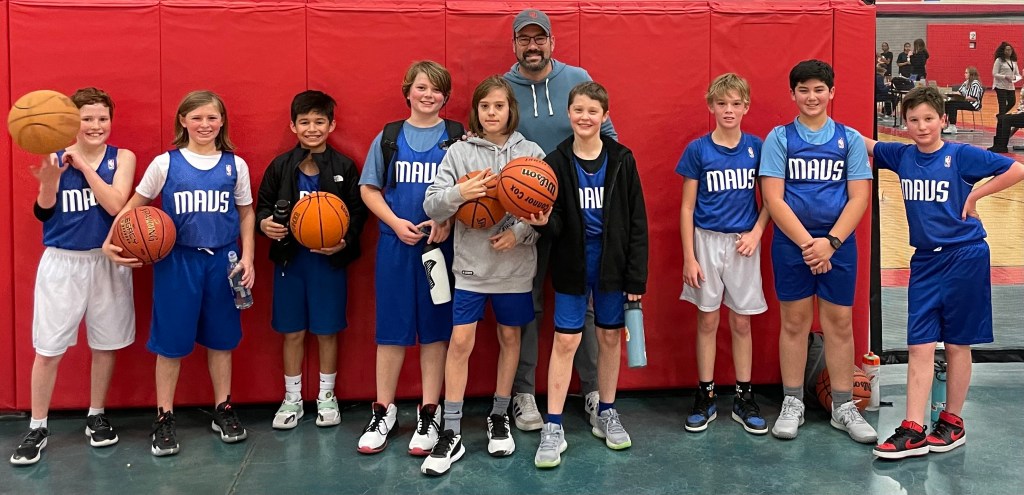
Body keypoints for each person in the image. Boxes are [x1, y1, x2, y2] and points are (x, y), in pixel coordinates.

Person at [866, 87, 1024, 459]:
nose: (921, 126)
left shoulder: (961, 155)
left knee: (956, 343)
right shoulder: (902, 155)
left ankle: (952, 422)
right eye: (914, 120)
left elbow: (1017, 168)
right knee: (919, 344)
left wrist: (974, 196)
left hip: (964, 256)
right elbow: (866, 144)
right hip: (924, 261)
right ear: (905, 123)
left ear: (943, 120)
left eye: (928, 119)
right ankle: (912, 428)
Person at [103, 90, 254, 457]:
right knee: (170, 344)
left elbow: (246, 212)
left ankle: (223, 408)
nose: (205, 124)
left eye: (212, 117)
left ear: (222, 121)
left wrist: (248, 257)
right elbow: (134, 207)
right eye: (197, 117)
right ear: (183, 121)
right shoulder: (165, 164)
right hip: (177, 261)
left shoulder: (235, 165)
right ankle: (164, 415)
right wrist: (109, 241)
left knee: (221, 341)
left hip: (223, 261)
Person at [420, 76, 544, 476]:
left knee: (510, 338)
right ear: (476, 111)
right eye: (485, 106)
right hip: (471, 267)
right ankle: (452, 429)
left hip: (515, 267)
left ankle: (499, 414)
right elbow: (432, 205)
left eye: (499, 106)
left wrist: (520, 233)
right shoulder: (459, 152)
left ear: (511, 110)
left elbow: (546, 211)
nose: (492, 113)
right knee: (460, 341)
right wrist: (462, 194)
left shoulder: (531, 153)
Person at [502, 8, 617, 431]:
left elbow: (609, 138)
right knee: (527, 304)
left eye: (540, 38)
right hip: (525, 215)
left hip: (577, 215)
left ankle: (592, 390)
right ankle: (524, 393)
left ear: (552, 42)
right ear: (514, 44)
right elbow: (492, 135)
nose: (532, 46)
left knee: (582, 305)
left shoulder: (577, 78)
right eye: (524, 39)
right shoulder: (503, 87)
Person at [9, 88, 137, 466]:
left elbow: (116, 205)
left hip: (107, 259)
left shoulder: (123, 157)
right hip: (62, 262)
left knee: (105, 344)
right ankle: (37, 426)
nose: (96, 125)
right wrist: (49, 183)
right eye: (87, 118)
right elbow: (44, 212)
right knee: (48, 349)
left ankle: (96, 415)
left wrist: (84, 167)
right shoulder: (54, 156)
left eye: (102, 118)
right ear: (71, 122)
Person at [530, 82, 648, 468]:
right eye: (578, 110)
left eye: (592, 111)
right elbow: (556, 223)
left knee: (610, 337)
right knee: (566, 340)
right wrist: (544, 223)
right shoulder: (555, 161)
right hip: (573, 262)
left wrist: (636, 278)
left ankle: (607, 411)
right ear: (569, 114)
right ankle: (553, 424)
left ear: (605, 115)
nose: (585, 117)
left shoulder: (622, 159)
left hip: (613, 263)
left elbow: (637, 222)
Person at [758, 60, 876, 444]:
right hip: (792, 244)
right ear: (792, 94)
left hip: (838, 245)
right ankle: (792, 402)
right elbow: (773, 198)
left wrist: (831, 243)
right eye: (804, 90)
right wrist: (810, 245)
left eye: (819, 89)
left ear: (832, 92)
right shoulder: (779, 138)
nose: (812, 97)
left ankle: (843, 406)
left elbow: (859, 197)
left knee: (839, 322)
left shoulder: (849, 139)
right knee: (794, 322)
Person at [356, 61, 462, 455]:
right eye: (421, 87)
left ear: (445, 96)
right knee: (391, 328)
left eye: (436, 89)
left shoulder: (457, 137)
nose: (428, 95)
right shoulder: (389, 136)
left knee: (435, 330)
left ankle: (429, 411)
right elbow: (369, 189)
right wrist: (394, 222)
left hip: (440, 247)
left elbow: (471, 189)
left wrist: (448, 220)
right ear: (408, 91)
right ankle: (383, 410)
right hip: (396, 244)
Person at [257, 90, 366, 431]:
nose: (312, 128)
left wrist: (344, 242)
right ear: (293, 126)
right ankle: (291, 398)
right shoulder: (280, 166)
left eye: (320, 121)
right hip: (291, 262)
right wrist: (265, 224)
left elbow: (358, 212)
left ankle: (326, 396)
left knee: (327, 330)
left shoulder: (344, 166)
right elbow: (262, 207)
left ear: (332, 125)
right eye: (304, 122)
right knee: (292, 332)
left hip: (327, 263)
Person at [677, 74, 770, 436]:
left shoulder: (757, 147)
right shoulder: (698, 149)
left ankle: (744, 396)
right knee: (707, 320)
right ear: (710, 106)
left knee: (742, 322)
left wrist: (757, 232)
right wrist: (689, 256)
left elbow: (771, 199)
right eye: (722, 103)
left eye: (735, 103)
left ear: (746, 107)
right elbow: (687, 207)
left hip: (743, 243)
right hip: (706, 241)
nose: (728, 110)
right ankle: (706, 394)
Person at [942, 66, 984, 135]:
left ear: (971, 74)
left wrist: (963, 98)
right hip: (965, 101)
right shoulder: (966, 82)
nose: (965, 74)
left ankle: (952, 126)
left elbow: (974, 98)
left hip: (973, 104)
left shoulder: (975, 83)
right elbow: (959, 92)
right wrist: (951, 94)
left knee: (953, 105)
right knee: (947, 103)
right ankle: (944, 123)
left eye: (966, 73)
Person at [988, 89, 1024, 153]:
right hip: (1021, 112)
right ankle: (997, 144)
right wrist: (1018, 112)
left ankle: (1003, 146)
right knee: (1001, 118)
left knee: (1006, 119)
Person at [992, 42, 1021, 116]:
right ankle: (1001, 120)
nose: (1009, 51)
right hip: (1000, 86)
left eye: (1010, 49)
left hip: (1010, 86)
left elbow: (1017, 74)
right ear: (1003, 51)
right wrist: (1005, 76)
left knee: (1012, 102)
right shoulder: (999, 60)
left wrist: (1015, 78)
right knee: (1002, 105)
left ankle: (1000, 116)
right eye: (1007, 50)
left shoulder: (1013, 61)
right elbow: (994, 73)